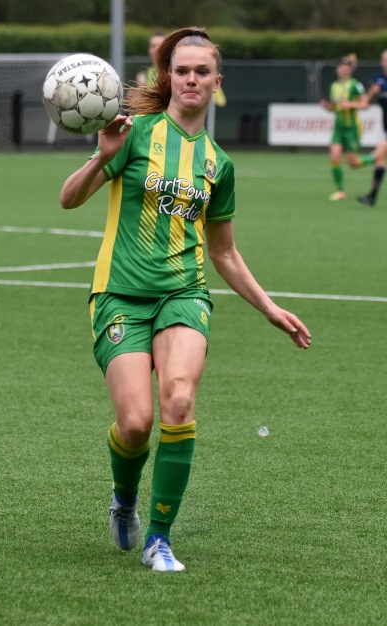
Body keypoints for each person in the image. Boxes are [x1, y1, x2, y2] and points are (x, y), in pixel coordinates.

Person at [59, 27, 311, 573]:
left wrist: (270, 308)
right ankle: (123, 497)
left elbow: (224, 252)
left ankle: (159, 537)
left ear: (217, 82)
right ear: (168, 77)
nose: (192, 78)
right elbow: (69, 199)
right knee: (135, 423)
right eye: (182, 70)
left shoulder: (219, 163)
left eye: (202, 71)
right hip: (120, 295)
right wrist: (101, 157)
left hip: (185, 294)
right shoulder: (133, 132)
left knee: (178, 400)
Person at [320, 54, 374, 201]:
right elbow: (333, 108)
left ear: (350, 70)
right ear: (337, 69)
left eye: (347, 66)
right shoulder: (334, 86)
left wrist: (350, 104)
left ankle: (375, 158)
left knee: (353, 163)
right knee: (335, 156)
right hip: (338, 127)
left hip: (352, 128)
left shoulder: (355, 85)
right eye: (341, 66)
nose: (344, 69)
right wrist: (327, 107)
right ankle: (341, 191)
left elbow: (365, 104)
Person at [358, 49, 387, 206]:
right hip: (386, 127)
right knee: (381, 160)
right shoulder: (377, 80)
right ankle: (372, 196)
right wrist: (371, 93)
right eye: (385, 59)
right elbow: (365, 103)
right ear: (382, 62)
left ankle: (366, 159)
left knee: (380, 150)